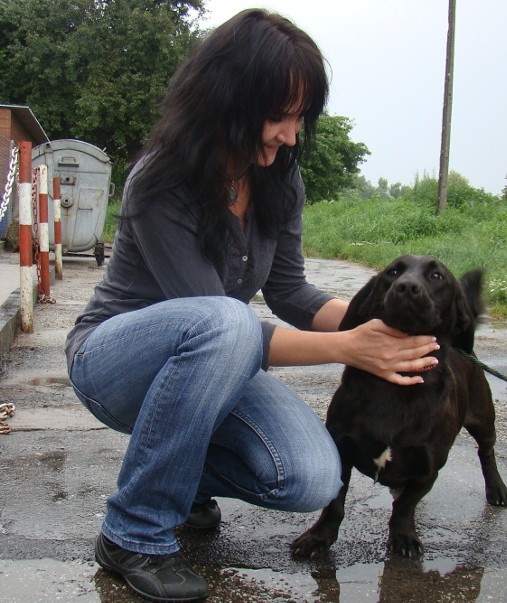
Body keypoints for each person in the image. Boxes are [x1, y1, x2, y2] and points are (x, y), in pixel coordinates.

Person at [65, 9, 439, 603]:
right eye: (278, 115)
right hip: (115, 364)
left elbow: (292, 292)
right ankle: (134, 531)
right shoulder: (159, 181)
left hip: (218, 358)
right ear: (228, 99)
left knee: (312, 475)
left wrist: (386, 329)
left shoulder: (279, 181)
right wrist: (348, 349)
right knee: (228, 320)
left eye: (300, 117)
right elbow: (217, 316)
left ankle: (180, 483)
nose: (291, 134)